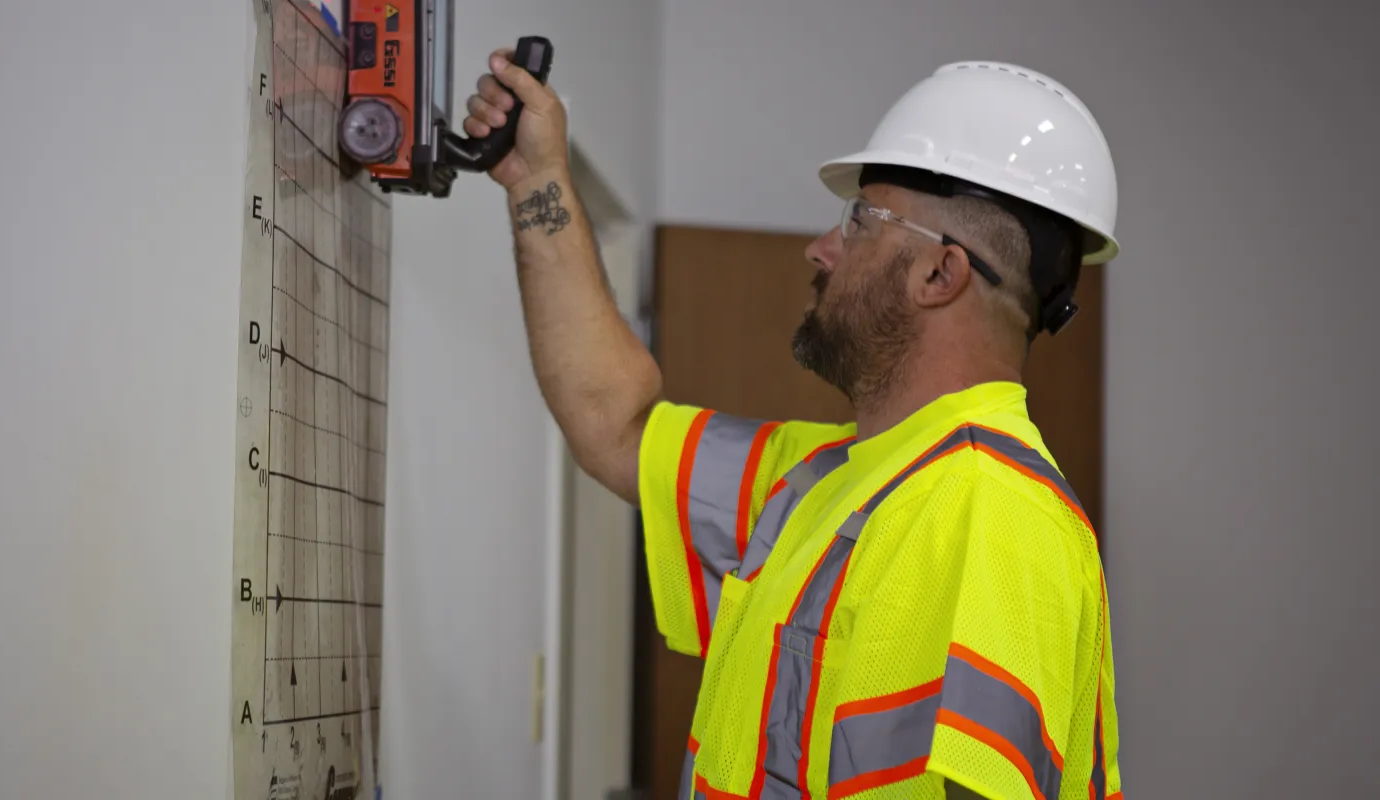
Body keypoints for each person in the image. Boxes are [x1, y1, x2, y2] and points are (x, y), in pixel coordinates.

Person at [463, 49, 1123, 800]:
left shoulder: (998, 516)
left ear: (940, 274)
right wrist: (536, 180)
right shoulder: (823, 482)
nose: (820, 248)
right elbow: (612, 424)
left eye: (859, 222)